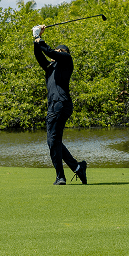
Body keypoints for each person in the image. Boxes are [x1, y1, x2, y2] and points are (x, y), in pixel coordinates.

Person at [33, 25, 87, 185]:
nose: (54, 54)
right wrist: (36, 38)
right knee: (53, 141)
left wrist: (39, 38)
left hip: (60, 104)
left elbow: (49, 51)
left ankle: (61, 177)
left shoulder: (66, 60)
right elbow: (40, 54)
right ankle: (77, 168)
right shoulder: (50, 68)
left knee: (52, 140)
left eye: (58, 51)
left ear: (63, 53)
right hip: (56, 106)